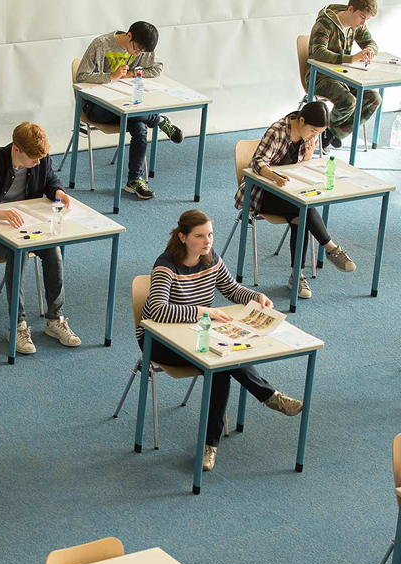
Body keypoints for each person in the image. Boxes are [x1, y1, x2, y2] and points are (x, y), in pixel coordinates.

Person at [139, 209, 303, 471]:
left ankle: (213, 442)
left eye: (210, 235)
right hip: (159, 340)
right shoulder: (166, 265)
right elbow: (158, 311)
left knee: (221, 363)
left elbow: (231, 289)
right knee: (220, 367)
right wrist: (204, 312)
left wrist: (255, 297)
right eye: (200, 236)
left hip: (199, 333)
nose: (207, 241)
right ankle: (264, 398)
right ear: (182, 237)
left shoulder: (211, 258)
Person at [0, 122, 82, 355]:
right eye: (33, 158)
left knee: (53, 250)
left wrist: (58, 191)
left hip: (23, 227)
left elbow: (50, 180)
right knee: (17, 252)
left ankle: (55, 319)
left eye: (41, 158)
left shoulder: (40, 160)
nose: (38, 163)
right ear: (16, 149)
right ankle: (18, 325)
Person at [234, 101, 356, 299]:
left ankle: (297, 275)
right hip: (260, 193)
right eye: (313, 131)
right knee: (302, 208)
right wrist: (274, 177)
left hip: (289, 194)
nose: (315, 136)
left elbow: (298, 168)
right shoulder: (278, 131)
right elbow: (256, 162)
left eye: (319, 133)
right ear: (301, 120)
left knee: (300, 214)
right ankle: (330, 249)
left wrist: (308, 156)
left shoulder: (307, 137)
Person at [76, 22, 184, 200]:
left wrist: (132, 73)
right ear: (129, 35)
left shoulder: (141, 49)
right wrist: (110, 77)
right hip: (97, 108)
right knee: (135, 116)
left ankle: (134, 180)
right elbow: (81, 75)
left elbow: (157, 68)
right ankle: (158, 120)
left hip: (127, 107)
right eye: (136, 49)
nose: (137, 54)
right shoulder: (101, 44)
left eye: (142, 52)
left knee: (140, 127)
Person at [307, 0, 381, 150]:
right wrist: (351, 59)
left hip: (343, 76)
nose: (363, 22)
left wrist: (370, 50)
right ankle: (325, 132)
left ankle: (331, 133)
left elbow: (372, 43)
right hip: (319, 77)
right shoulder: (325, 23)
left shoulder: (357, 25)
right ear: (351, 9)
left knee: (374, 98)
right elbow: (319, 53)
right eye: (362, 17)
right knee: (349, 101)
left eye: (367, 19)